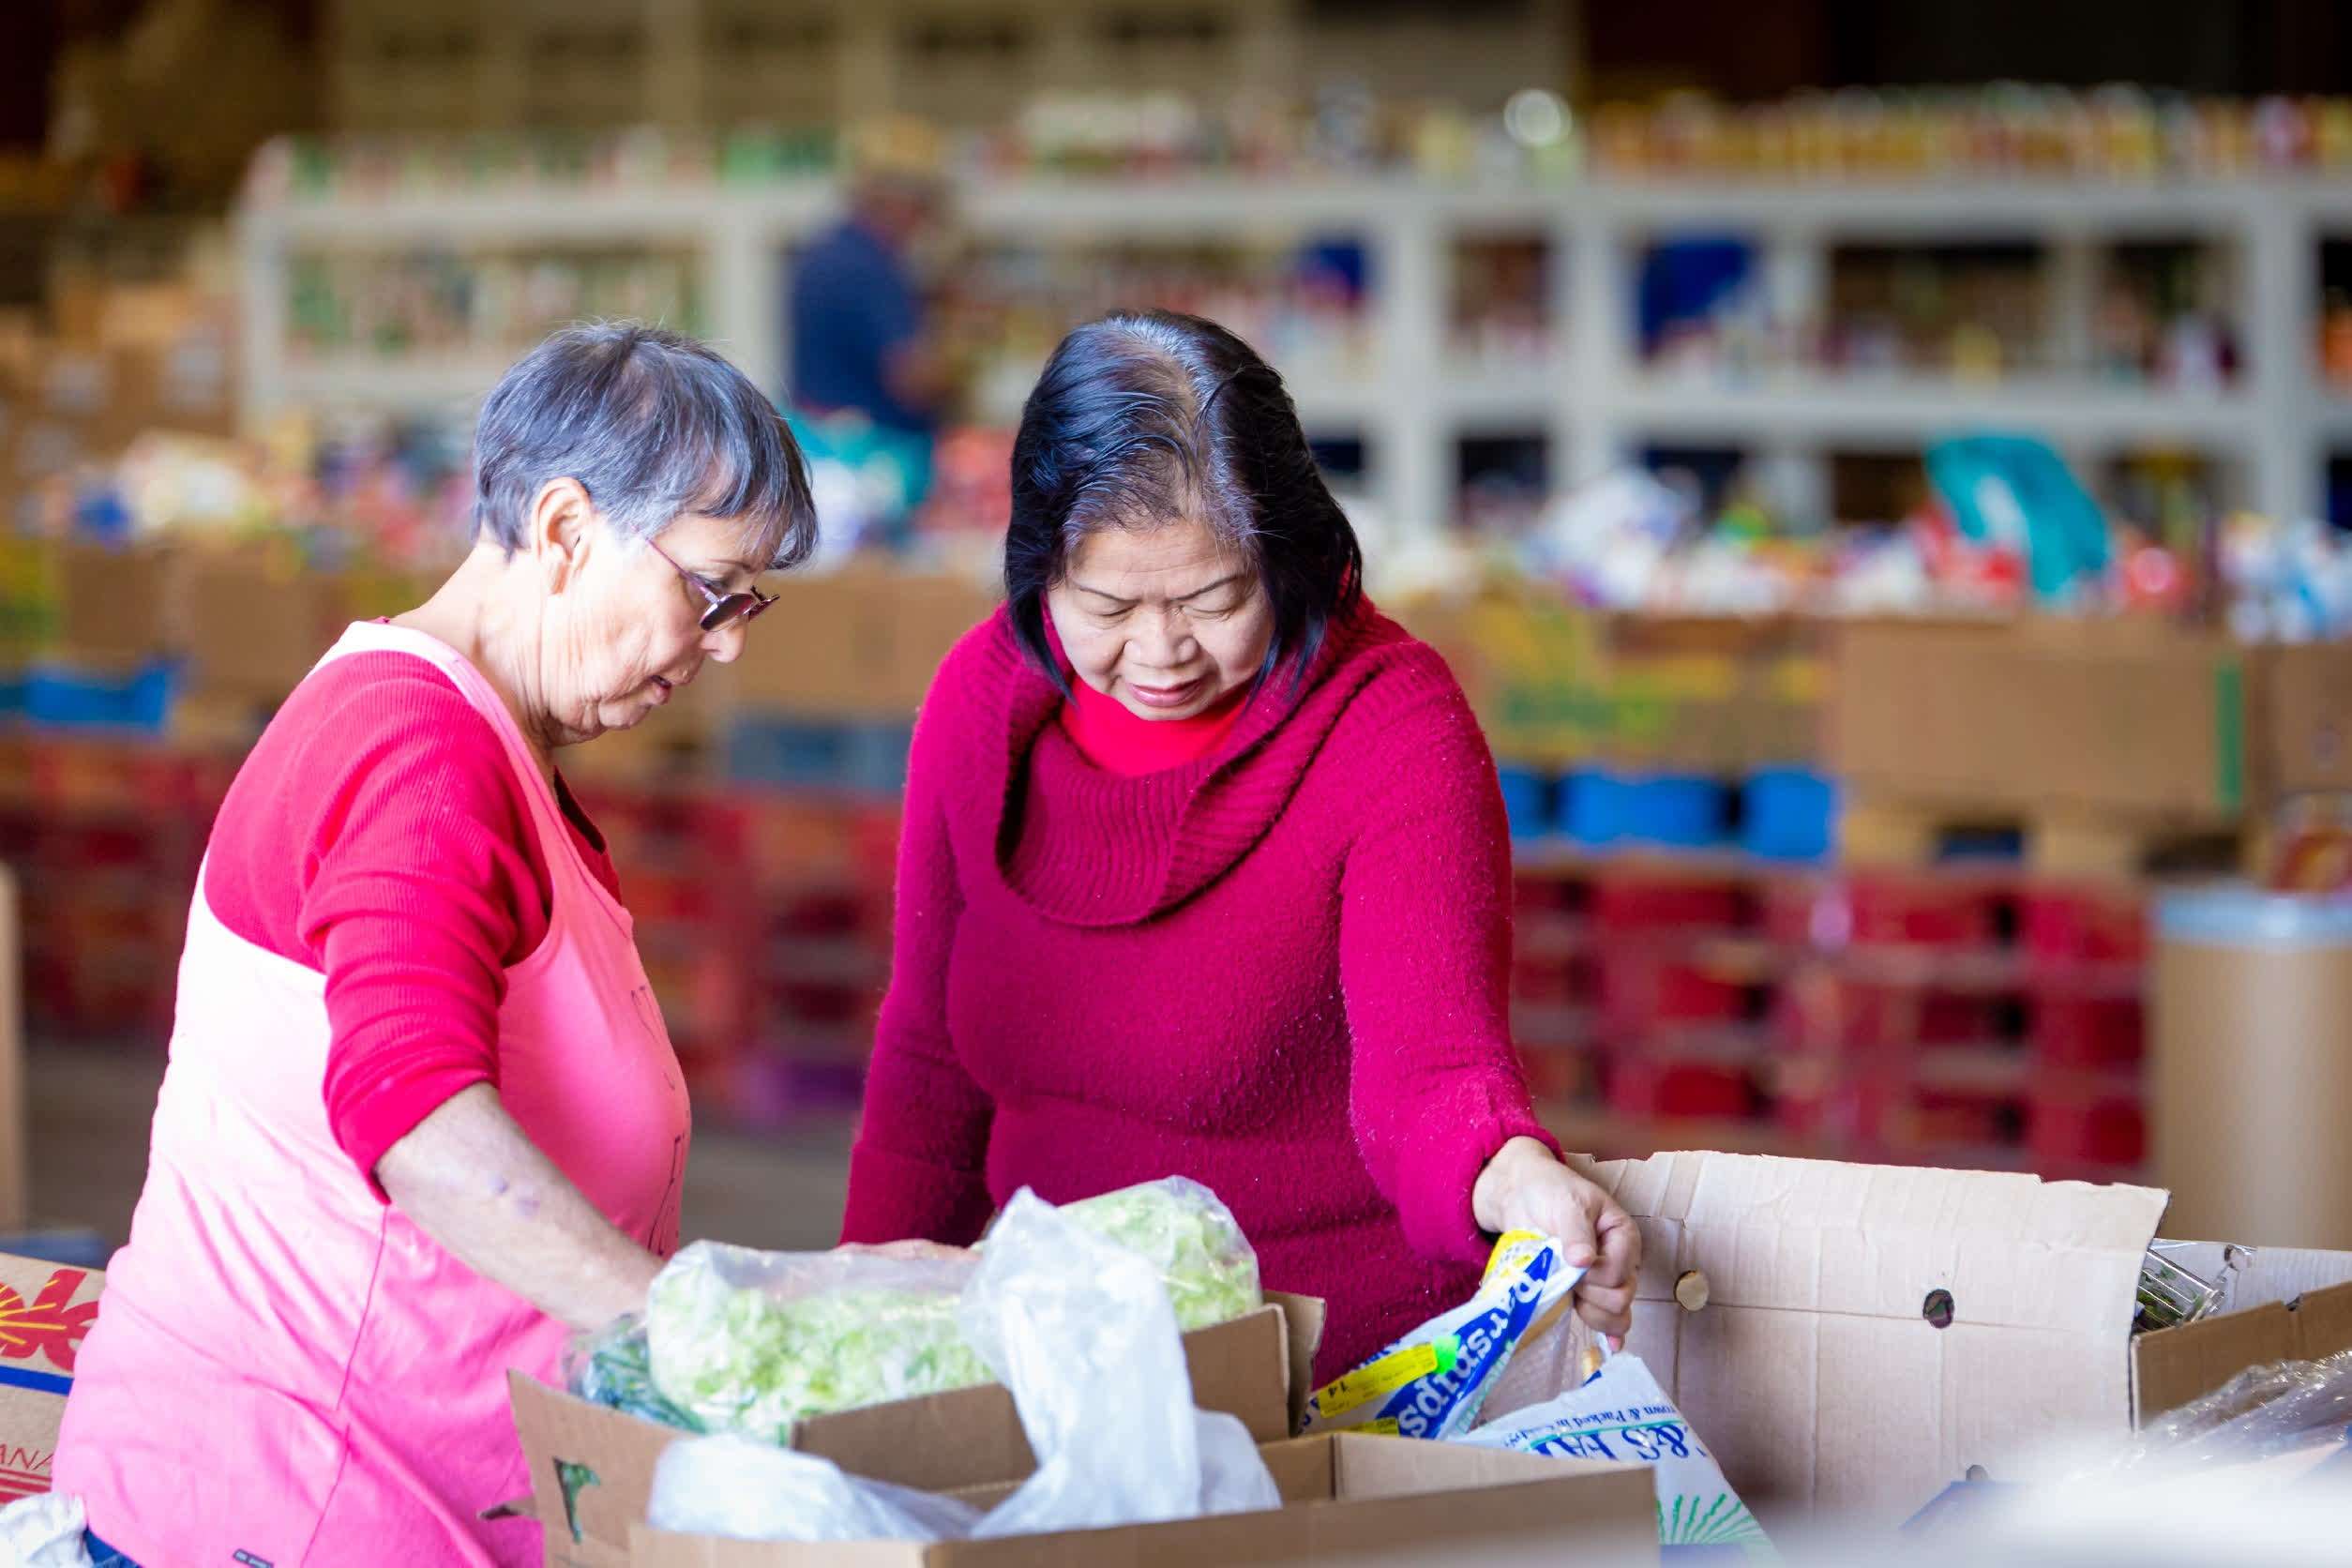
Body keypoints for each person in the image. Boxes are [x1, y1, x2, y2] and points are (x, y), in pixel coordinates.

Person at [53, 323, 816, 1566]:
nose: (728, 639)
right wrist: (677, 1332)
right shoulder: (415, 750)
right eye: (712, 590)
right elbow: (409, 1115)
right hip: (287, 1511)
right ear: (567, 531)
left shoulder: (490, 753)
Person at [839, 309, 1639, 1381]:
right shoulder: (981, 702)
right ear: (1038, 573)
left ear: (1287, 553)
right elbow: (929, 1060)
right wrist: (855, 1321)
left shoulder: (1389, 722)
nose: (1162, 652)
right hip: (1059, 1361)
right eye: (1109, 604)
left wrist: (1515, 1177)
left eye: (1215, 598)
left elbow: (1434, 1070)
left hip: (1334, 1374)